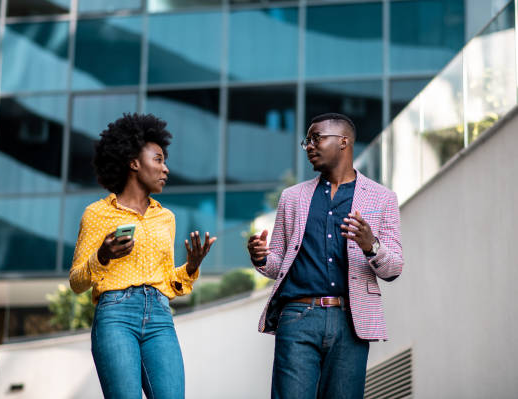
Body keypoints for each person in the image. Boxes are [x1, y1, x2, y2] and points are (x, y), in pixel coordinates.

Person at [247, 113, 403, 399]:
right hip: (297, 317)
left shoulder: (382, 198)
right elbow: (278, 263)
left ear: (344, 141)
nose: (309, 146)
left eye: (317, 139)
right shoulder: (292, 197)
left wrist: (371, 245)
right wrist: (260, 258)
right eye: (307, 140)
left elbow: (394, 268)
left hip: (352, 321)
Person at [69, 113, 216, 399]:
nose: (166, 169)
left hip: (160, 317)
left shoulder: (166, 218)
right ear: (134, 162)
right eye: (158, 159)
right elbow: (76, 281)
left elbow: (166, 280)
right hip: (115, 316)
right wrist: (102, 255)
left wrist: (192, 266)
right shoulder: (97, 214)